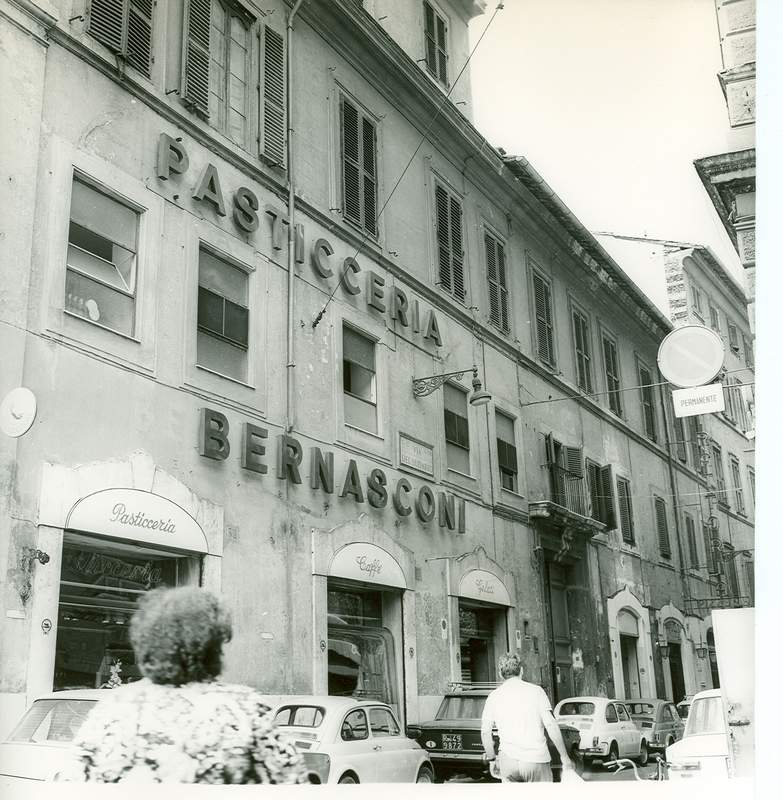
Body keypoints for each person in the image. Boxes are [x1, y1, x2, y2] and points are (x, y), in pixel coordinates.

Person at [60, 587, 307, 783]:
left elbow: (72, 782)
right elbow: (294, 783)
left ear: (145, 645)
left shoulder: (113, 707)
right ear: (214, 647)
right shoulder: (246, 708)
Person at [480, 652, 574, 783]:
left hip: (508, 761)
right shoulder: (537, 691)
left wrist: (492, 760)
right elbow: (551, 725)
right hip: (536, 759)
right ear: (521, 671)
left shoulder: (493, 697)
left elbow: (485, 732)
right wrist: (564, 757)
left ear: (500, 674)